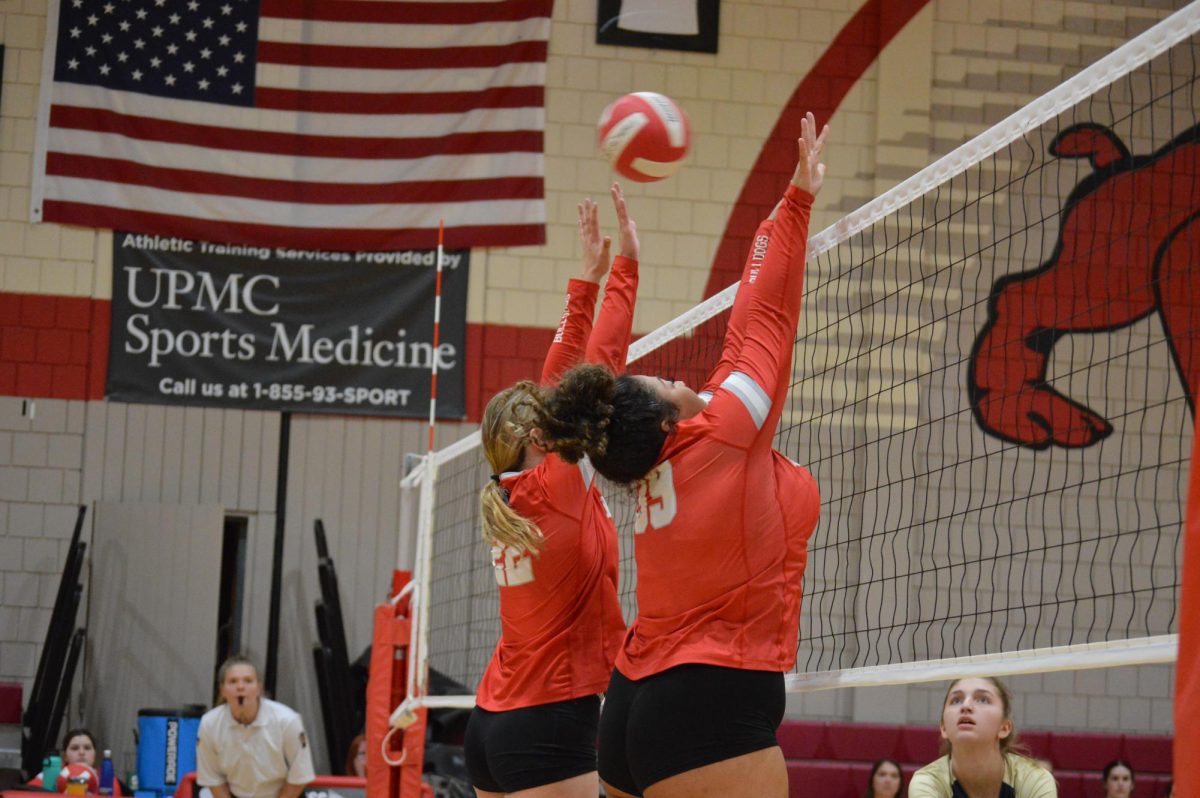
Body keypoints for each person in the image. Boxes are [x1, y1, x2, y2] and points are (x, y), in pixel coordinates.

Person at [537, 113, 829, 798]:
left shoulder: (629, 460)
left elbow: (585, 386)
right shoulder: (727, 427)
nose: (673, 377)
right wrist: (795, 201)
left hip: (635, 704)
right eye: (663, 381)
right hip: (712, 698)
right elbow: (765, 315)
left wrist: (617, 272)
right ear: (666, 418)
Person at [463, 185, 638, 798]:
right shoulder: (558, 486)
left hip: (490, 727)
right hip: (547, 721)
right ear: (542, 433)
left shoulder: (511, 493)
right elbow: (598, 371)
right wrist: (625, 270)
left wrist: (583, 283)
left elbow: (562, 372)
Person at [907, 676, 1055, 798]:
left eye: (983, 700)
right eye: (956, 700)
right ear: (944, 728)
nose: (966, 706)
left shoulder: (1034, 779)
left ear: (1004, 728)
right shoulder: (927, 782)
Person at [196, 655, 315, 798]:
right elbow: (212, 778)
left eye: (248, 681)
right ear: (222, 690)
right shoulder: (209, 724)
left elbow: (299, 776)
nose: (240, 687)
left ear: (259, 688)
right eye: (233, 681)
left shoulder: (287, 720)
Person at [26, 729, 99, 787]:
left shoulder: (105, 778)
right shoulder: (50, 776)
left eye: (87, 748)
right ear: (65, 756)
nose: (81, 752)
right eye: (75, 748)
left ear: (95, 754)